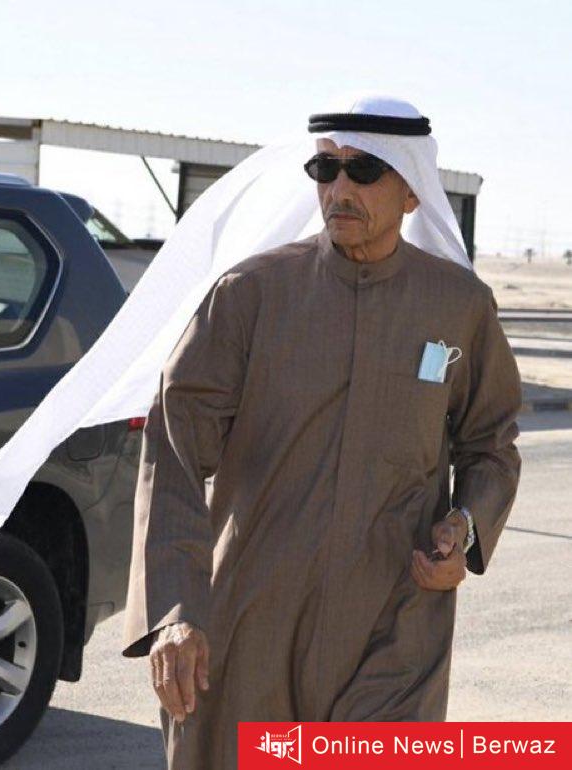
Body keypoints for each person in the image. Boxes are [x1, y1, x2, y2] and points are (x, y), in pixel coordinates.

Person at [120, 96, 522, 768]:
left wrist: (467, 527)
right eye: (325, 169)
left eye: (363, 171)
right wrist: (176, 610)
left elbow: (490, 443)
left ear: (412, 192)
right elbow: (174, 453)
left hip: (395, 627)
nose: (339, 189)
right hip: (252, 620)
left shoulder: (459, 306)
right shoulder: (249, 295)